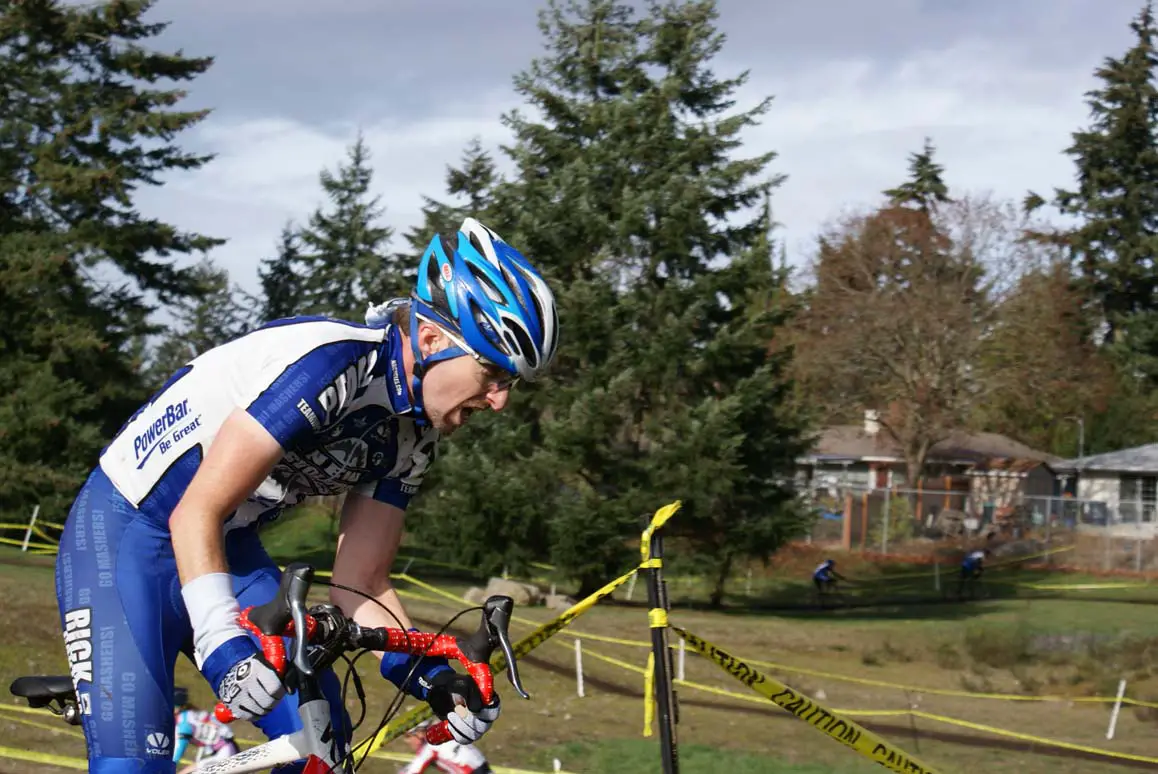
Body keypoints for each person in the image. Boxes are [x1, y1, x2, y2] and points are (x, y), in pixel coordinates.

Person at [54, 218, 560, 774]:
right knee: (134, 764)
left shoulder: (412, 436)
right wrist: (223, 645)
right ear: (433, 339)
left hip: (226, 543)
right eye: (492, 371)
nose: (499, 400)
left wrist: (436, 678)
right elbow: (196, 507)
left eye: (509, 383)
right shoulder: (332, 363)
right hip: (125, 534)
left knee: (321, 737)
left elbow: (360, 582)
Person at [170, 687, 239, 774]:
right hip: (221, 750)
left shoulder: (184, 722)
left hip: (225, 751)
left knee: (192, 770)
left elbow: (177, 754)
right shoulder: (188, 714)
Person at [397, 720, 493, 774]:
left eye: (408, 736)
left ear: (420, 734)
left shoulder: (430, 746)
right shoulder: (443, 733)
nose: (407, 741)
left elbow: (413, 771)